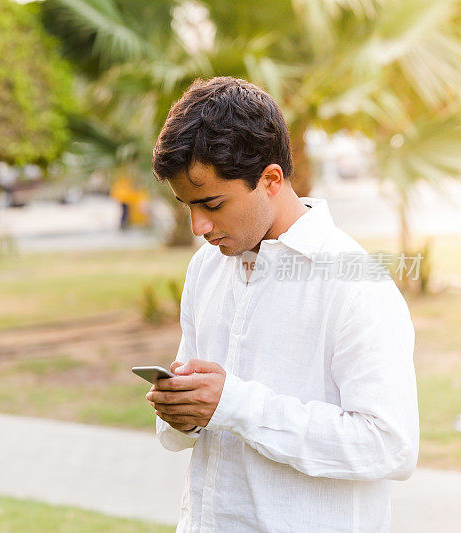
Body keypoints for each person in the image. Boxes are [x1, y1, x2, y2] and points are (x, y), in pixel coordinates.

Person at [145, 77, 419, 532]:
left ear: (271, 179)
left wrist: (234, 404)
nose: (198, 225)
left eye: (211, 203)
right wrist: (183, 411)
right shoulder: (205, 269)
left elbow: (390, 445)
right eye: (185, 205)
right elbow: (192, 427)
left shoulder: (355, 282)